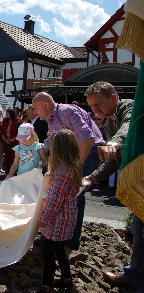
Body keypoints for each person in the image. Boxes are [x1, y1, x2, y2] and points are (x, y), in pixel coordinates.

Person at [80, 82, 138, 288]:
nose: (95, 111)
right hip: (137, 182)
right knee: (138, 228)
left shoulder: (130, 106)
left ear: (113, 98)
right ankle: (134, 276)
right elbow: (114, 162)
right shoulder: (109, 121)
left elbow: (130, 125)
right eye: (92, 107)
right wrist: (92, 178)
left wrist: (114, 142)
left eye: (98, 105)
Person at [32, 92, 104, 250]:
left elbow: (87, 139)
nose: (34, 112)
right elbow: (51, 142)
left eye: (35, 108)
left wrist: (75, 169)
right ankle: (55, 235)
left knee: (75, 194)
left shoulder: (67, 112)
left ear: (45, 105)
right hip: (72, 156)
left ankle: (70, 240)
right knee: (59, 192)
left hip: (88, 152)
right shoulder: (52, 119)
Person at [38, 129, 82, 291]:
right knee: (60, 250)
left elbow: (55, 200)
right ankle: (66, 279)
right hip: (66, 219)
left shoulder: (62, 172)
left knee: (49, 253)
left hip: (57, 220)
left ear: (59, 149)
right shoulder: (71, 168)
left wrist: (43, 218)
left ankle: (46, 285)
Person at [0, 108, 19, 174]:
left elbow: (19, 133)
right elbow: (1, 131)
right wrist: (5, 139)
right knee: (7, 157)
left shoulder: (17, 121)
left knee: (14, 157)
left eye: (7, 113)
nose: (6, 114)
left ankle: (14, 171)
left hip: (15, 142)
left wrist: (13, 139)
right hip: (6, 142)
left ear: (11, 114)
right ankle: (7, 171)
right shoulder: (5, 121)